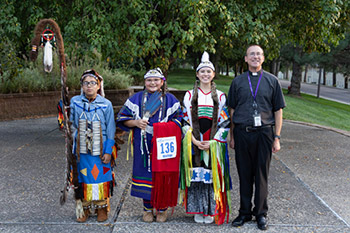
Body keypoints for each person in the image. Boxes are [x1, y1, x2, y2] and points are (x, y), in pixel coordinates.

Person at [227, 45, 285, 230]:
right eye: (252, 54)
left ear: (263, 58)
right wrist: (232, 134)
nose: (255, 57)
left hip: (264, 133)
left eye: (258, 54)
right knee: (244, 175)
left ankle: (261, 214)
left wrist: (276, 137)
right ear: (245, 58)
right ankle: (244, 212)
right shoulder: (237, 82)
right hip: (242, 133)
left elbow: (278, 111)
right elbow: (232, 110)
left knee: (261, 175)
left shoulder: (272, 81)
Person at [116, 68, 182, 223]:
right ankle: (147, 208)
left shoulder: (171, 100)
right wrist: (136, 122)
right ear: (144, 82)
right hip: (143, 144)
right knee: (145, 173)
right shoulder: (135, 99)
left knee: (163, 174)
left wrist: (163, 128)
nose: (152, 83)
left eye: (156, 80)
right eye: (149, 80)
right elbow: (122, 118)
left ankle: (161, 208)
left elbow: (180, 120)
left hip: (165, 144)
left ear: (162, 82)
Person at [181, 52, 231, 225]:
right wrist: (193, 140)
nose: (205, 75)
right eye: (202, 72)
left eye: (208, 71)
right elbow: (184, 120)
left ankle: (210, 210)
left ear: (213, 74)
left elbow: (225, 122)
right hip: (195, 141)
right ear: (197, 74)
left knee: (211, 175)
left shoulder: (222, 96)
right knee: (196, 175)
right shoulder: (189, 95)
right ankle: (198, 209)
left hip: (213, 142)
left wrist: (213, 142)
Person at [70, 69, 116, 223]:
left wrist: (108, 151)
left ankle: (101, 207)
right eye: (86, 83)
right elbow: (71, 126)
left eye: (92, 83)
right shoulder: (75, 102)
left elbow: (111, 130)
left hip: (100, 149)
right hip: (81, 149)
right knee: (82, 177)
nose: (89, 86)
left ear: (98, 86)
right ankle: (84, 207)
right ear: (82, 86)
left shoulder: (106, 104)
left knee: (99, 176)